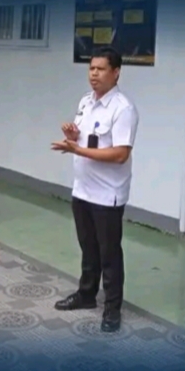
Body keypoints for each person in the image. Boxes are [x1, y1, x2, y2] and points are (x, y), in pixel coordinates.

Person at [50, 47, 138, 333]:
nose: (94, 74)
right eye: (91, 68)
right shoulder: (86, 101)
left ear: (116, 72)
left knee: (109, 253)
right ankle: (87, 294)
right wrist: (73, 137)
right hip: (83, 190)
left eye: (101, 69)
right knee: (88, 248)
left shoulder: (123, 108)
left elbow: (121, 154)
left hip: (107, 195)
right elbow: (90, 141)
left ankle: (112, 308)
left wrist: (78, 150)